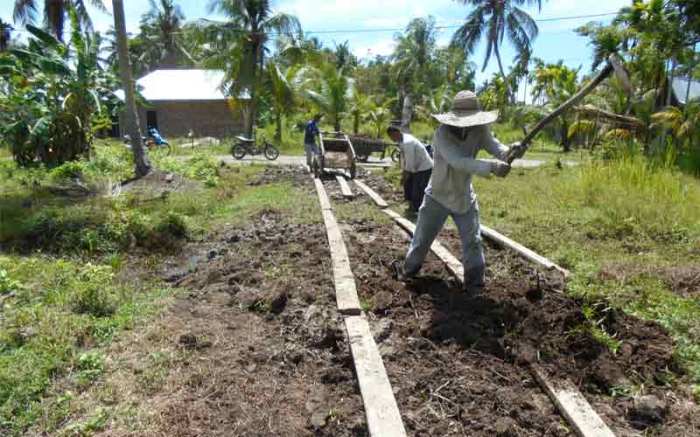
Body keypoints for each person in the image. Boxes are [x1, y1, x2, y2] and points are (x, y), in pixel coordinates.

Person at [392, 90, 525, 295]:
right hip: (437, 195)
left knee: (473, 242)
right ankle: (408, 273)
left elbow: (496, 148)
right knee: (421, 240)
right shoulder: (442, 134)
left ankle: (474, 286)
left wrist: (511, 151)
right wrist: (492, 167)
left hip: (464, 196)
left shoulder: (480, 130)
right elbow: (458, 162)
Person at [387, 125, 433, 214]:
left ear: (396, 133)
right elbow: (405, 159)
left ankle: (417, 210)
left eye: (391, 136)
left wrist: (405, 175)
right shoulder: (401, 140)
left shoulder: (408, 142)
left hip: (424, 167)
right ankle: (411, 204)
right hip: (415, 167)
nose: (391, 139)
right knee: (408, 186)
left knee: (418, 189)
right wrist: (404, 173)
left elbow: (410, 162)